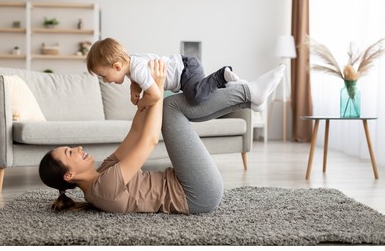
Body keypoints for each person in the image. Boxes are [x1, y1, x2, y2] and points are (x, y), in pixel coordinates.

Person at [39, 59, 285, 214]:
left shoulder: (103, 173)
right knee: (170, 108)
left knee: (171, 108)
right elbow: (148, 141)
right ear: (69, 175)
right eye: (71, 152)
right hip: (197, 194)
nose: (78, 147)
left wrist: (142, 104)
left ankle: (249, 98)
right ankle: (247, 93)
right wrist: (156, 89)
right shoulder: (103, 188)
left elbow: (135, 134)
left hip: (186, 184)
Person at [85, 37, 241, 110]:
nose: (105, 81)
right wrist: (135, 89)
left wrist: (141, 104)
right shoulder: (132, 64)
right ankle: (226, 84)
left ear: (117, 66)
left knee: (195, 97)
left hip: (185, 72)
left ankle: (221, 75)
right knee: (206, 93)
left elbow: (155, 95)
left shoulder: (137, 70)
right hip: (186, 68)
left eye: (103, 76)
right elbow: (136, 80)